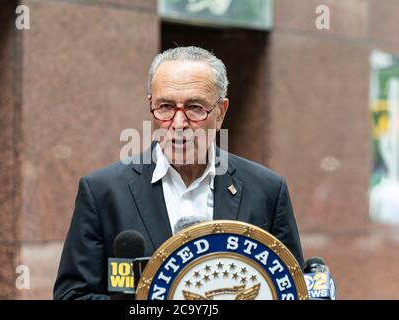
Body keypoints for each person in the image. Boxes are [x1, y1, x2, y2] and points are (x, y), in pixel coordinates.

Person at [53, 46, 304, 300]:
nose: (179, 123)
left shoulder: (267, 190)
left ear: (220, 113)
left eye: (195, 107)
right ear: (151, 106)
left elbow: (292, 288)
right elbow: (72, 295)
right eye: (165, 107)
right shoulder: (102, 192)